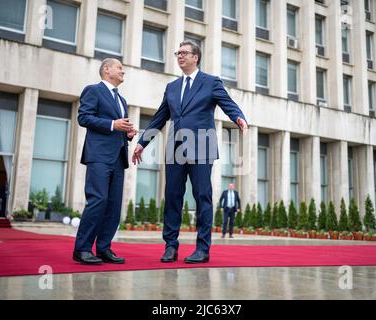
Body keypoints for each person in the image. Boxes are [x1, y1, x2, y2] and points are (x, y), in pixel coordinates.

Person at [132, 40, 248, 264]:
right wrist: (142, 142)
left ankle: (202, 249)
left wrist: (239, 117)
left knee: (202, 197)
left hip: (202, 147)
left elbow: (228, 103)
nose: (180, 56)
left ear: (196, 57)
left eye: (184, 53)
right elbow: (159, 117)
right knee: (173, 198)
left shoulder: (211, 82)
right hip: (175, 149)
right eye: (178, 53)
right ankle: (170, 246)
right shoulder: (172, 87)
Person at [73, 58, 137, 265]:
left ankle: (103, 248)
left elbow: (120, 127)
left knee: (113, 206)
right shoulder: (93, 90)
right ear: (106, 69)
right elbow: (83, 117)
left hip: (118, 158)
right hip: (99, 156)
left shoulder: (122, 100)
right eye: (119, 67)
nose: (123, 71)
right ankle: (82, 249)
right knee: (97, 200)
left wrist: (128, 133)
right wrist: (112, 124)